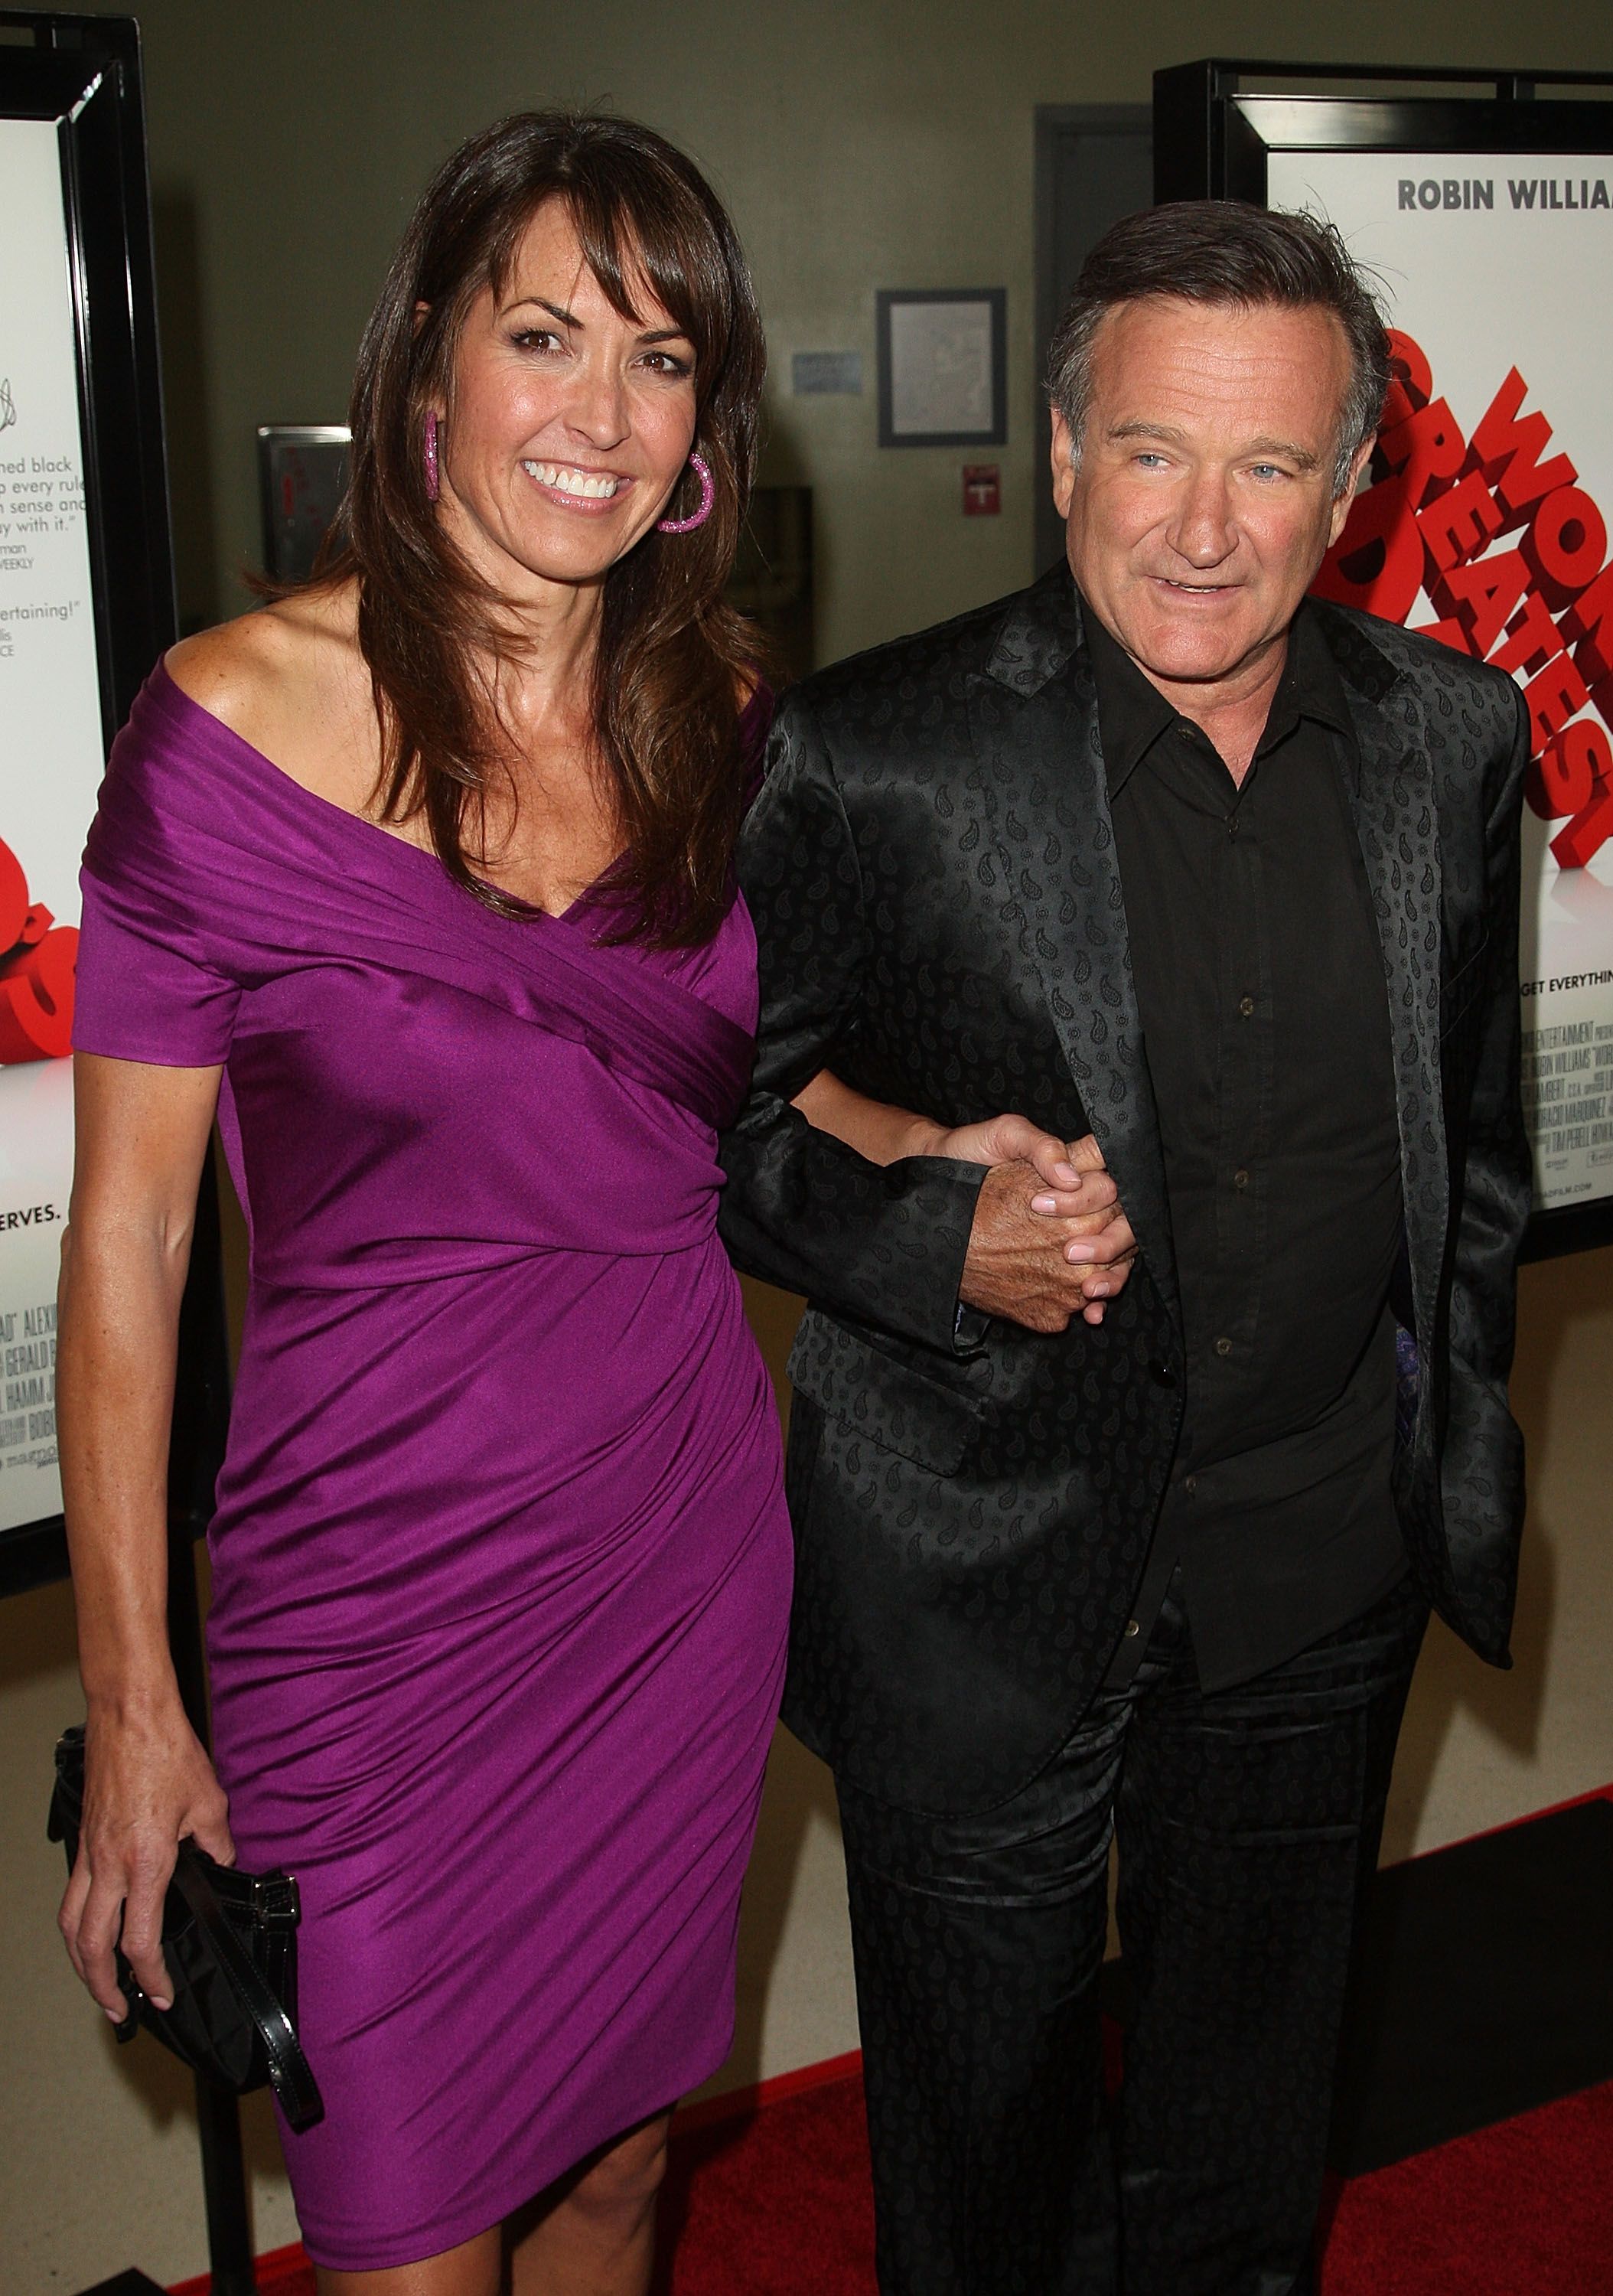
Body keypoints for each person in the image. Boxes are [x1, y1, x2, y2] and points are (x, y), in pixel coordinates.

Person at [719, 201, 1530, 2295]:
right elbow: (707, 1120)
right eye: (1152, 450)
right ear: (1064, 451)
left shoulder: (1451, 743)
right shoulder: (873, 757)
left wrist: (1443, 1436)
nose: (1201, 525)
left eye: (1269, 464)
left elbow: (1475, 1143)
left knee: (1242, 2170)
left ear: (1352, 490)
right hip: (981, 1580)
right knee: (979, 2187)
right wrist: (928, 1235)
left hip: (1309, 1573)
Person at [57, 111, 802, 2296]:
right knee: (404, 2232)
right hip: (361, 1605)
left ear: (700, 432)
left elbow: (762, 1095)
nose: (596, 407)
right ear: (426, 380)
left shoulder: (737, 723)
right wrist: (133, 1701)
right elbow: (130, 1248)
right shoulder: (225, 723)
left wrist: (954, 1171)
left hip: (670, 1561)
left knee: (615, 2180)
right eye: (545, 334)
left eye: (658, 358)